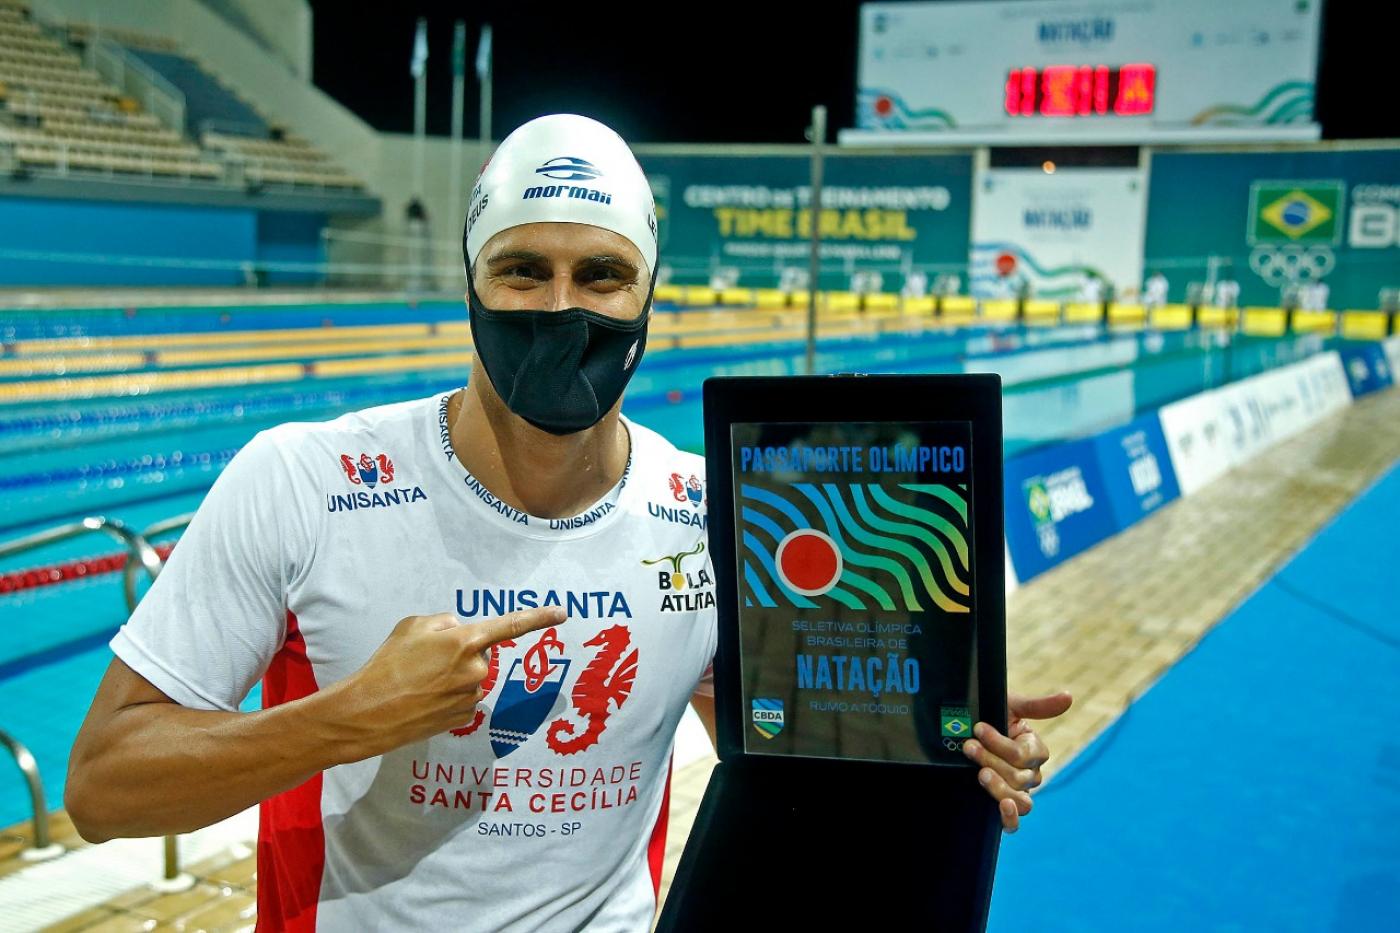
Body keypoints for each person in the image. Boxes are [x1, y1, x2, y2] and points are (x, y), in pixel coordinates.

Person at [65, 114, 1071, 931]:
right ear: (468, 280)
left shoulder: (712, 512)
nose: (559, 308)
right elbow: (105, 790)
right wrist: (348, 719)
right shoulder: (304, 480)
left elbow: (790, 756)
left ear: (646, 295)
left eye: (600, 276)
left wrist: (941, 737)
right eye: (520, 270)